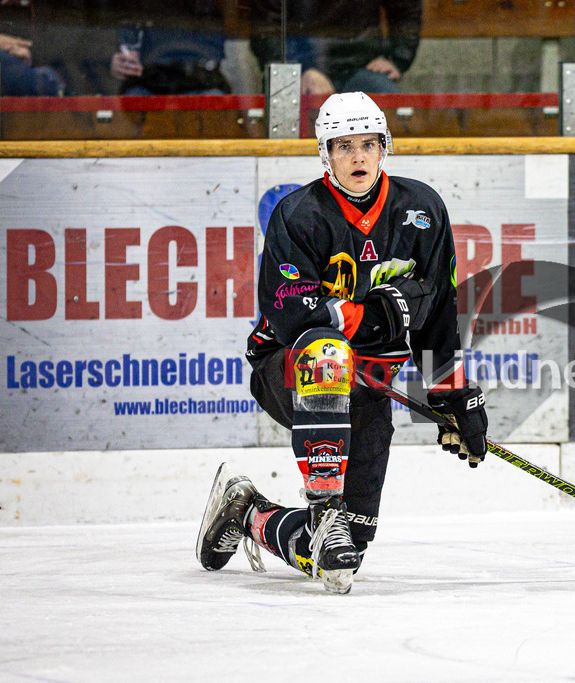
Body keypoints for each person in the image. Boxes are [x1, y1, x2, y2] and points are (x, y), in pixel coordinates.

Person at [196, 92, 488, 594]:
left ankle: (250, 514)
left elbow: (437, 311)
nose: (357, 156)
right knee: (327, 355)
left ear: (384, 148)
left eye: (368, 144)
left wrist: (452, 394)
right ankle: (323, 509)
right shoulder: (298, 214)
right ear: (325, 154)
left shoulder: (422, 209)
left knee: (343, 550)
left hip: (369, 387)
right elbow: (292, 312)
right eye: (344, 145)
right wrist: (383, 312)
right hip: (287, 369)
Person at [248, 0, 421, 95]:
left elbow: (407, 11)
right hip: (296, 71)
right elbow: (265, 28)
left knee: (390, 117)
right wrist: (300, 71)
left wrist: (398, 58)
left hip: (361, 66)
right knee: (285, 130)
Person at [110, 25, 229, 95]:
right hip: (152, 84)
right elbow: (127, 50)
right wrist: (124, 60)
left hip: (203, 84)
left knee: (218, 102)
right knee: (133, 99)